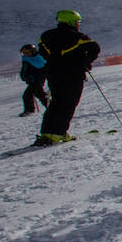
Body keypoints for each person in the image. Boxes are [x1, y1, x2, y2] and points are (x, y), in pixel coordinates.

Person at [36, 9, 101, 145]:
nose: (78, 24)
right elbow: (95, 48)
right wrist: (84, 62)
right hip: (72, 74)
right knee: (68, 103)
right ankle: (59, 133)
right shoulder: (78, 36)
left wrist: (55, 61)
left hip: (53, 73)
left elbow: (42, 52)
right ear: (71, 21)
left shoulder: (46, 36)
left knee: (56, 102)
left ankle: (46, 132)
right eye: (77, 22)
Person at [18, 44, 49, 117]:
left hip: (36, 81)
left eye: (27, 52)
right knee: (40, 94)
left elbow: (42, 70)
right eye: (24, 52)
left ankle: (29, 110)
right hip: (32, 81)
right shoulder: (26, 59)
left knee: (27, 95)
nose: (26, 54)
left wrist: (32, 77)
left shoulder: (38, 59)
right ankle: (51, 107)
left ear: (33, 52)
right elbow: (25, 69)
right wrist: (24, 76)